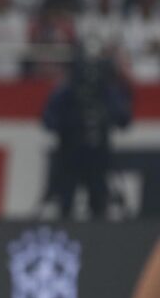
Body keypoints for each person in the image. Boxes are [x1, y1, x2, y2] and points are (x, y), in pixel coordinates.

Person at [43, 52, 132, 219]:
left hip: (98, 157)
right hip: (70, 155)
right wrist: (69, 123)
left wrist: (105, 116)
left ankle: (98, 239)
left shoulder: (106, 91)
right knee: (66, 201)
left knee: (99, 201)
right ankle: (65, 235)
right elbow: (48, 119)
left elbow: (124, 119)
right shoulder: (67, 90)